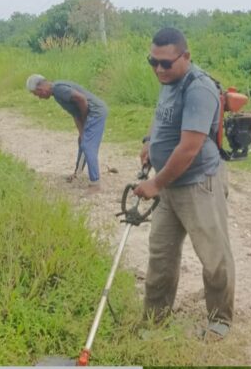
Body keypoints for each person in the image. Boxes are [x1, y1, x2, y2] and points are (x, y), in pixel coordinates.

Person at [133, 26, 235, 338]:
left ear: (186, 56)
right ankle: (154, 320)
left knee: (213, 256)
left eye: (165, 63)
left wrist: (155, 184)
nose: (158, 69)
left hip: (198, 183)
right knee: (161, 255)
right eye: (153, 62)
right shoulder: (168, 80)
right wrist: (150, 141)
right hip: (169, 185)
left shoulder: (198, 89)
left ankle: (219, 321)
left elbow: (189, 148)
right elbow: (161, 115)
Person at [26, 75, 108, 193]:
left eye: (37, 94)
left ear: (40, 89)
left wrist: (85, 119)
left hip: (95, 112)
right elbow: (75, 113)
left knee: (88, 145)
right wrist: (81, 131)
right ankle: (77, 173)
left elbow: (81, 99)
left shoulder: (58, 89)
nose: (39, 97)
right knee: (82, 141)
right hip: (91, 113)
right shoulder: (57, 94)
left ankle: (95, 183)